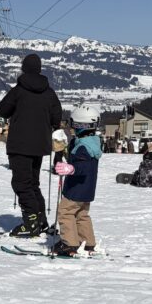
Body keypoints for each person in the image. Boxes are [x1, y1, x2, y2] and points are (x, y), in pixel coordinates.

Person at [0, 53, 62, 236]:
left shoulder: (18, 91)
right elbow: (57, 118)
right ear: (39, 69)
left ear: (24, 68)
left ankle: (31, 221)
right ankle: (40, 220)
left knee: (21, 184)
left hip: (19, 145)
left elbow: (3, 110)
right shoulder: (49, 92)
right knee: (33, 183)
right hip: (40, 145)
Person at [52, 104, 102, 257]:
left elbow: (83, 167)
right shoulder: (91, 142)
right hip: (87, 189)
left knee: (65, 212)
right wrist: (63, 149)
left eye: (72, 124)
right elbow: (77, 158)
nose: (71, 127)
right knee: (81, 214)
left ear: (81, 125)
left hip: (76, 189)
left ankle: (69, 244)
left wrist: (71, 169)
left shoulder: (83, 147)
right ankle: (88, 243)